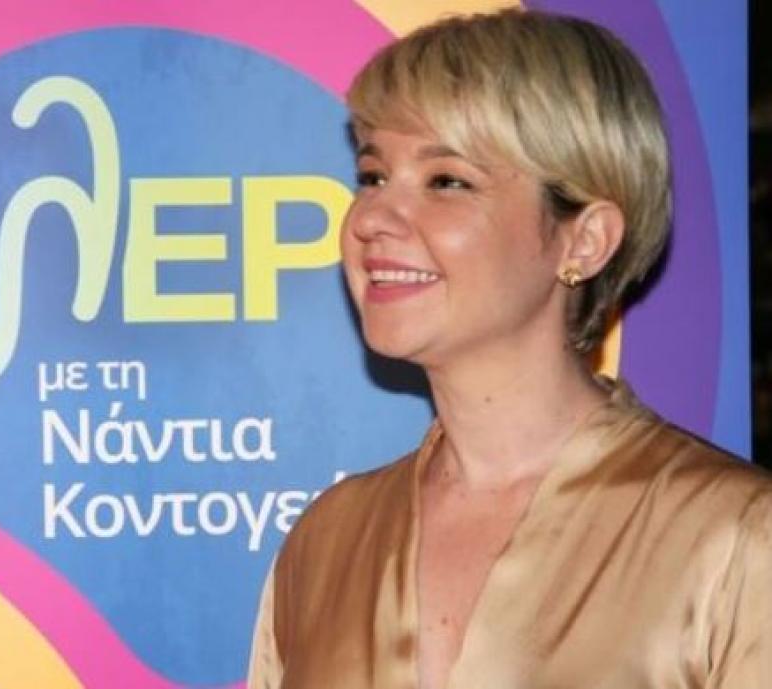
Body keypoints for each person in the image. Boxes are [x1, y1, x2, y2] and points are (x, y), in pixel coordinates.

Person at [247, 9, 770, 689]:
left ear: (584, 240)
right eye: (373, 175)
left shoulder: (734, 538)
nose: (370, 219)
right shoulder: (327, 543)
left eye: (446, 181)